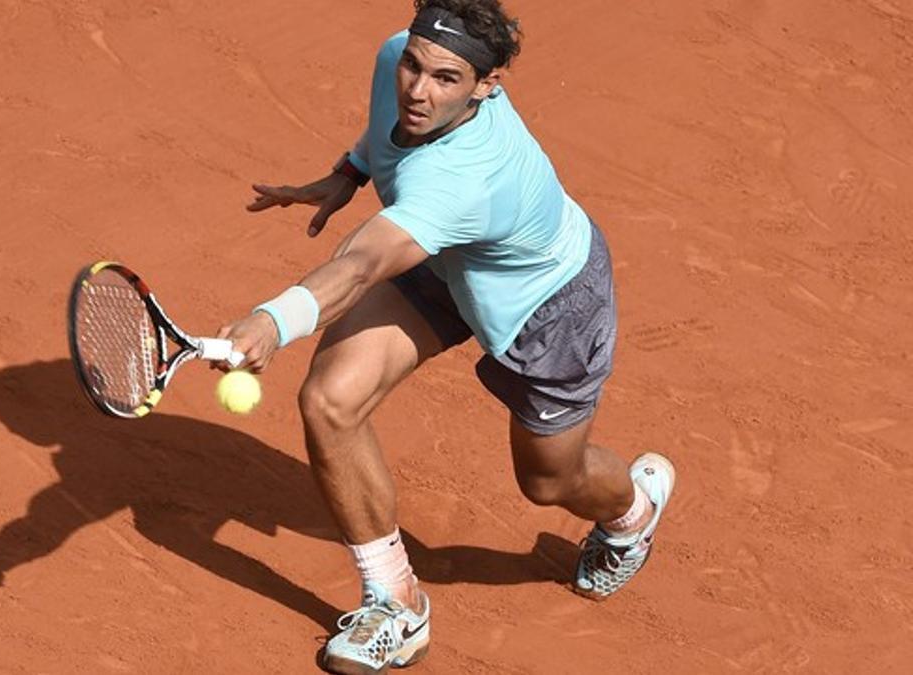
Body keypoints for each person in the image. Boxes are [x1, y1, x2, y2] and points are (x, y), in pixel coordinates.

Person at [217, 1, 677, 672]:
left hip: (547, 305)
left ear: (487, 86)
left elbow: (362, 263)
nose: (418, 90)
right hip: (443, 260)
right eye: (414, 66)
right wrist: (346, 175)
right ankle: (395, 603)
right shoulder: (398, 61)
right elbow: (385, 131)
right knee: (330, 400)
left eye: (446, 79)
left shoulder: (466, 180)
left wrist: (272, 319)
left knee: (549, 481)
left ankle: (633, 513)